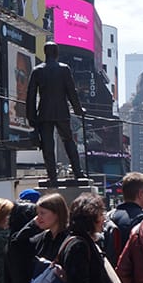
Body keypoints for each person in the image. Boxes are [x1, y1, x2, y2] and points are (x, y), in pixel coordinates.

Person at [26, 41, 85, 183]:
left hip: (44, 113)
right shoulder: (64, 69)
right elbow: (72, 92)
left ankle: (52, 176)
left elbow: (31, 97)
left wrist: (31, 118)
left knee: (47, 145)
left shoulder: (37, 70)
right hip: (61, 111)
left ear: (45, 53)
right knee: (69, 141)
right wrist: (78, 109)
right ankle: (78, 173)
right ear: (56, 53)